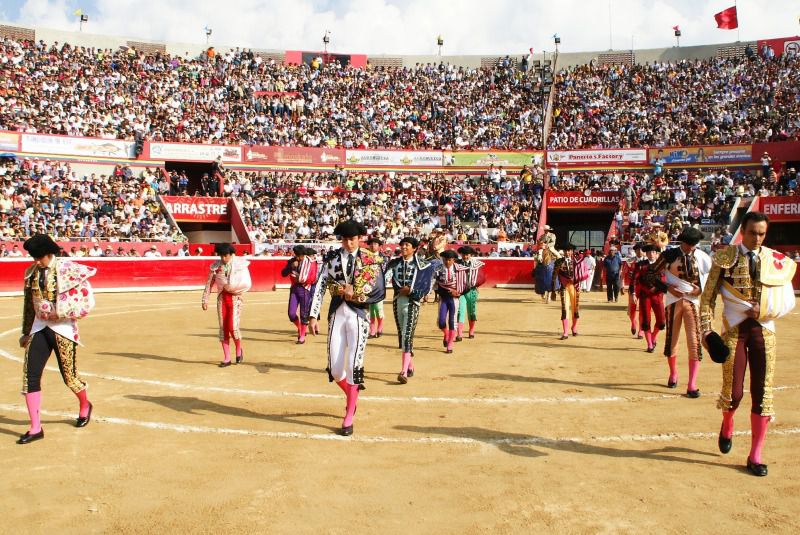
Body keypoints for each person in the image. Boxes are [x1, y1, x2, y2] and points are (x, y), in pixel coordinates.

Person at [700, 212, 796, 477]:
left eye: (762, 233)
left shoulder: (775, 261)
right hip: (734, 331)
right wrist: (707, 333)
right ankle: (728, 423)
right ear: (742, 230)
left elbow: (787, 301)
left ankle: (755, 455)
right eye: (753, 232)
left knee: (763, 394)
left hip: (764, 331)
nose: (757, 238)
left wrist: (764, 309)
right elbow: (707, 299)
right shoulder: (724, 257)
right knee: (734, 393)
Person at [17, 234, 97, 444]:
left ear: (48, 253)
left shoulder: (68, 269)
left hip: (63, 328)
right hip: (39, 327)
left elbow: (87, 301)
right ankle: (35, 428)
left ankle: (85, 405)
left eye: (39, 256)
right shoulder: (31, 273)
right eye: (33, 256)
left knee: (69, 377)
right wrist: (26, 332)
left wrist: (60, 313)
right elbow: (28, 305)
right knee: (30, 376)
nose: (35, 260)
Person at [309, 220, 385, 436]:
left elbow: (379, 290)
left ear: (359, 238)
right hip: (337, 313)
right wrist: (313, 314)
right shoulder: (332, 258)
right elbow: (320, 284)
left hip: (359, 315)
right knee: (334, 368)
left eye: (352, 239)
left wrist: (359, 294)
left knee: (353, 364)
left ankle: (349, 414)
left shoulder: (371, 259)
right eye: (345, 239)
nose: (349, 243)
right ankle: (352, 396)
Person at [648, 228, 711, 395]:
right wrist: (667, 287)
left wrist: (700, 290)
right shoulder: (669, 255)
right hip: (673, 301)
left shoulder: (701, 256)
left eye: (694, 244)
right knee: (672, 339)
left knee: (694, 341)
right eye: (689, 244)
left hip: (692, 302)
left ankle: (692, 384)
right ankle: (673, 373)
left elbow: (711, 279)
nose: (692, 247)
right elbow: (650, 275)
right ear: (683, 242)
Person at [384, 237, 435, 383]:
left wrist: (411, 291)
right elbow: (384, 279)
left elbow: (426, 286)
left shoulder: (423, 265)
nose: (404, 247)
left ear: (414, 248)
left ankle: (403, 372)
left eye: (407, 245)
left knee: (407, 336)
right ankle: (410, 366)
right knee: (402, 336)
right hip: (397, 301)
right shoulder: (394, 263)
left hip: (413, 303)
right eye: (403, 244)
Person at [201, 243, 252, 367]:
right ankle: (227, 358)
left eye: (225, 255)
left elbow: (245, 282)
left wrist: (233, 288)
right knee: (224, 329)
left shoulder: (239, 265)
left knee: (233, 327)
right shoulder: (215, 266)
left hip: (236, 298)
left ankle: (239, 350)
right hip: (221, 299)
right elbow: (209, 283)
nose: (223, 258)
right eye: (221, 256)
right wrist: (205, 299)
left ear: (231, 254)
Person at [633, 244, 667, 353]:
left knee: (662, 321)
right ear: (646, 254)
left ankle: (653, 337)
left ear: (657, 254)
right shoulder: (640, 265)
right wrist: (633, 293)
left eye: (653, 252)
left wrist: (658, 288)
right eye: (649, 252)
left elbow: (665, 280)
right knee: (646, 321)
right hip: (645, 296)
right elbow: (634, 280)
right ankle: (649, 345)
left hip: (658, 295)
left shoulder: (662, 265)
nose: (651, 254)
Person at [281, 245, 318, 344]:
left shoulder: (310, 262)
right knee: (291, 313)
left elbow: (313, 278)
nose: (298, 258)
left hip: (305, 289)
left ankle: (302, 336)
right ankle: (300, 328)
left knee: (304, 313)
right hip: (294, 289)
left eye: (300, 256)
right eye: (297, 256)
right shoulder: (292, 261)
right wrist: (291, 267)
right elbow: (283, 273)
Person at [455, 245, 485, 340]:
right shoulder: (456, 264)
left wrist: (476, 285)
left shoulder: (476, 264)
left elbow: (481, 277)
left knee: (472, 311)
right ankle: (459, 333)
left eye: (467, 255)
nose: (465, 256)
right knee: (460, 311)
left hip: (472, 290)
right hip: (461, 291)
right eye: (463, 254)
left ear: (470, 255)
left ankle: (471, 330)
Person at [434, 250, 461, 353]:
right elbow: (432, 281)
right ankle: (446, 334)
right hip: (443, 298)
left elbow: (465, 284)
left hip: (454, 299)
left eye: (449, 260)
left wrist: (458, 292)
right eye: (445, 260)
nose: (447, 262)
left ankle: (450, 344)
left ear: (453, 260)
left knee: (452, 321)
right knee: (441, 321)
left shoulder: (460, 269)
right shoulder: (438, 269)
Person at [552, 244, 580, 339]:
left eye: (569, 251)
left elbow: (581, 273)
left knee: (575, 309)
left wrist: (578, 281)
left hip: (575, 287)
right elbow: (554, 276)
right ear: (564, 252)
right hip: (564, 288)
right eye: (566, 251)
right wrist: (553, 290)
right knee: (565, 309)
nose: (568, 252)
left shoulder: (576, 261)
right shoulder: (559, 262)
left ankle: (574, 327)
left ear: (572, 251)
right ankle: (565, 332)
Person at [622, 243, 645, 337]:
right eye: (638, 250)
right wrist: (622, 286)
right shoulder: (629, 262)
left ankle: (641, 330)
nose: (640, 252)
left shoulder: (649, 262)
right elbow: (623, 274)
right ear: (635, 251)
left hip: (644, 288)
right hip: (633, 288)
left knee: (643, 309)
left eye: (642, 250)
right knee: (632, 309)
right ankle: (633, 322)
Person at [366, 237, 387, 338]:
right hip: (368, 286)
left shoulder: (383, 258)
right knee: (371, 309)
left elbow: (385, 272)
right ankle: (373, 330)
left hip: (379, 286)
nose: (372, 245)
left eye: (375, 244)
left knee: (378, 308)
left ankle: (380, 327)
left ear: (379, 246)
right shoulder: (365, 257)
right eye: (371, 244)